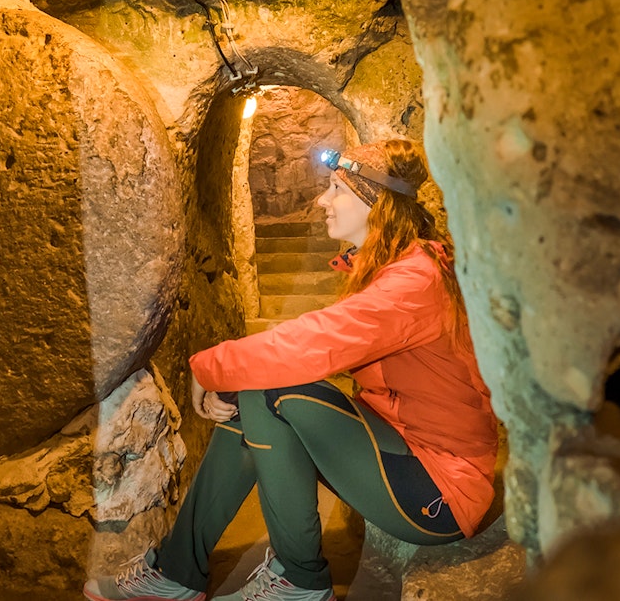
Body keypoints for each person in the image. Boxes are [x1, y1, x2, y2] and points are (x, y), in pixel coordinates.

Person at [84, 139, 498, 601]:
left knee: (269, 389)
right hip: (406, 448)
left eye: (336, 188)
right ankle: (177, 572)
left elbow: (312, 343)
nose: (322, 200)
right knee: (252, 399)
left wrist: (211, 366)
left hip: (440, 492)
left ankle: (299, 582)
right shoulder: (398, 269)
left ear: (375, 202)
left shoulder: (412, 281)